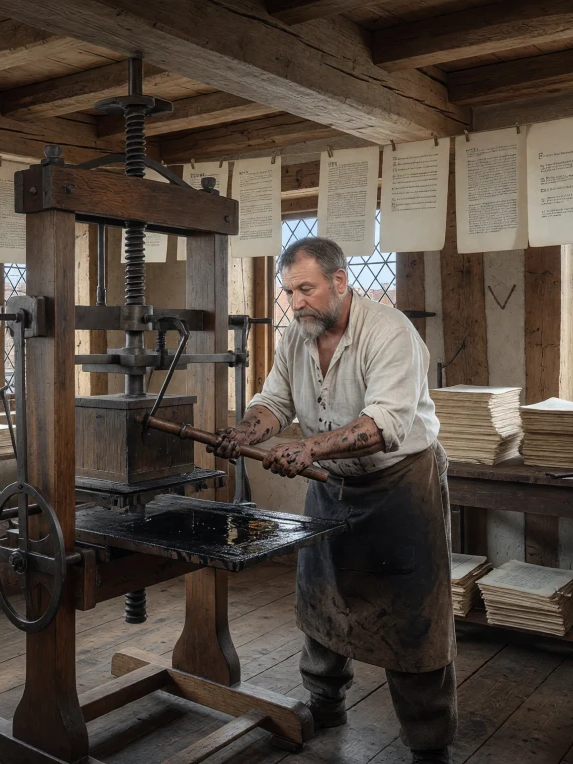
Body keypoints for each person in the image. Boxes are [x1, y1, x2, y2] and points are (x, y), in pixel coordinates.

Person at [212, 236, 454, 764]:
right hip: (329, 484)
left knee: (413, 619)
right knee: (321, 598)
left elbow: (385, 425)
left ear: (340, 281)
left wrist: (305, 448)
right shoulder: (297, 336)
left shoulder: (391, 333)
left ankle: (428, 742)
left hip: (399, 486)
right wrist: (247, 431)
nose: (295, 302)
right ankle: (324, 704)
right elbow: (274, 400)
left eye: (305, 289)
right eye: (288, 292)